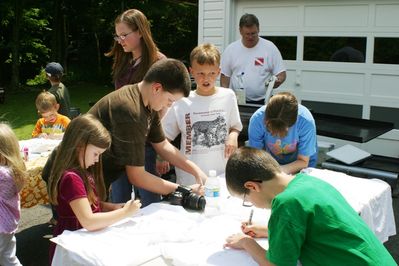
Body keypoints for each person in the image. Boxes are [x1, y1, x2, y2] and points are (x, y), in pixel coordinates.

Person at [223, 147, 396, 265]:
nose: (251, 203)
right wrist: (269, 230)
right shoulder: (308, 182)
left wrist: (247, 243)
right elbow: (316, 228)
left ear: (252, 186)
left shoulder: (286, 203)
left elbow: (276, 264)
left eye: (247, 199)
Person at [88, 58, 207, 204]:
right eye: (170, 100)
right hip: (79, 181)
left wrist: (195, 170)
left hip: (95, 179)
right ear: (157, 88)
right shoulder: (131, 111)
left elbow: (162, 145)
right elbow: (137, 176)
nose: (169, 106)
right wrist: (184, 189)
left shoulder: (147, 103)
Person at [47, 114, 141, 263]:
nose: (97, 159)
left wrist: (112, 207)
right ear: (80, 145)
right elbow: (89, 220)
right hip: (75, 243)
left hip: (81, 237)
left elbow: (89, 205)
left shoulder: (81, 172)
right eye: (96, 153)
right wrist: (124, 213)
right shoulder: (72, 178)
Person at [105, 8, 169, 205]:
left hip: (144, 144)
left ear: (140, 31)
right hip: (119, 143)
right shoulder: (123, 60)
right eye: (118, 36)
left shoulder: (159, 62)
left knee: (150, 201)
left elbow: (163, 108)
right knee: (119, 201)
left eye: (124, 35)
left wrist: (160, 149)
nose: (120, 40)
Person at [162, 43, 242, 185]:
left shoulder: (228, 96)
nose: (206, 79)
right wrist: (161, 158)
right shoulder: (181, 101)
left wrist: (233, 136)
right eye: (201, 73)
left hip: (222, 175)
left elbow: (235, 127)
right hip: (190, 177)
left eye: (211, 73)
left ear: (218, 72)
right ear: (191, 72)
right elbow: (165, 137)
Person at [220, 13, 286, 105]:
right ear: (240, 31)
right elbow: (225, 77)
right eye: (247, 34)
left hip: (264, 101)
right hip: (237, 101)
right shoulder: (231, 50)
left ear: (258, 29)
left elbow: (281, 74)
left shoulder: (269, 48)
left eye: (253, 33)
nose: (250, 37)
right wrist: (225, 98)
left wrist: (277, 81)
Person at [248, 92, 317, 174]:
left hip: (302, 165)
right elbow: (257, 156)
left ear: (293, 122)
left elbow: (303, 161)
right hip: (271, 163)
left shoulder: (305, 121)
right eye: (271, 129)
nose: (277, 135)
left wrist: (277, 172)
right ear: (266, 120)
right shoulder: (257, 120)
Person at [0, 123, 26, 266]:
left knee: (6, 257)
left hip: (1, 224)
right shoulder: (13, 169)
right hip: (7, 223)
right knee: (7, 257)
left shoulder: (2, 174)